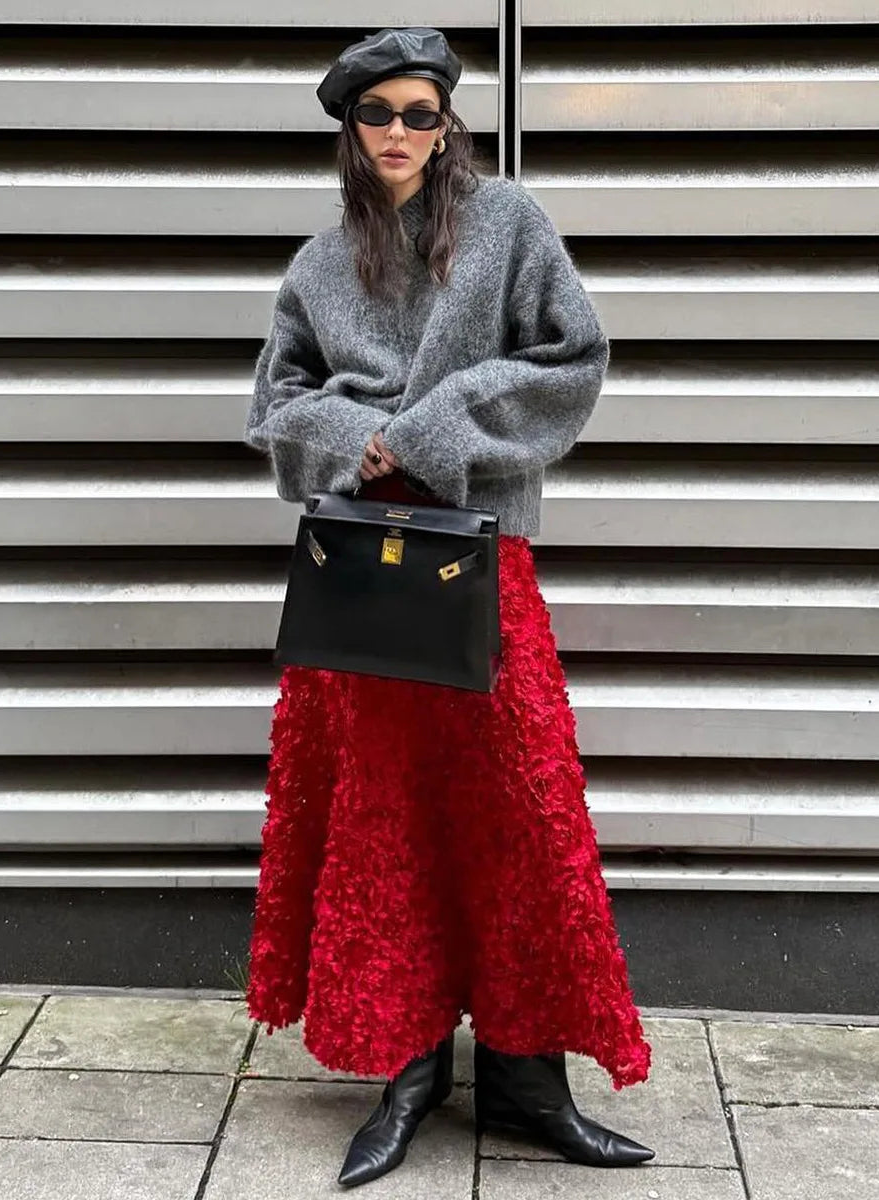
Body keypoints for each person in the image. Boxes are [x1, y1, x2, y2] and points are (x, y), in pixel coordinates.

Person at [243, 26, 654, 1190]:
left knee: (521, 817)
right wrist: (351, 438)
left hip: (483, 559)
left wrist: (435, 426)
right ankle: (409, 1068)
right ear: (349, 128)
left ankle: (527, 1080)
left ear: (448, 122)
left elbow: (572, 356)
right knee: (388, 825)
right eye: (379, 114)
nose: (400, 134)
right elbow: (276, 401)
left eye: (422, 113)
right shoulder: (319, 264)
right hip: (364, 586)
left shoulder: (510, 225)